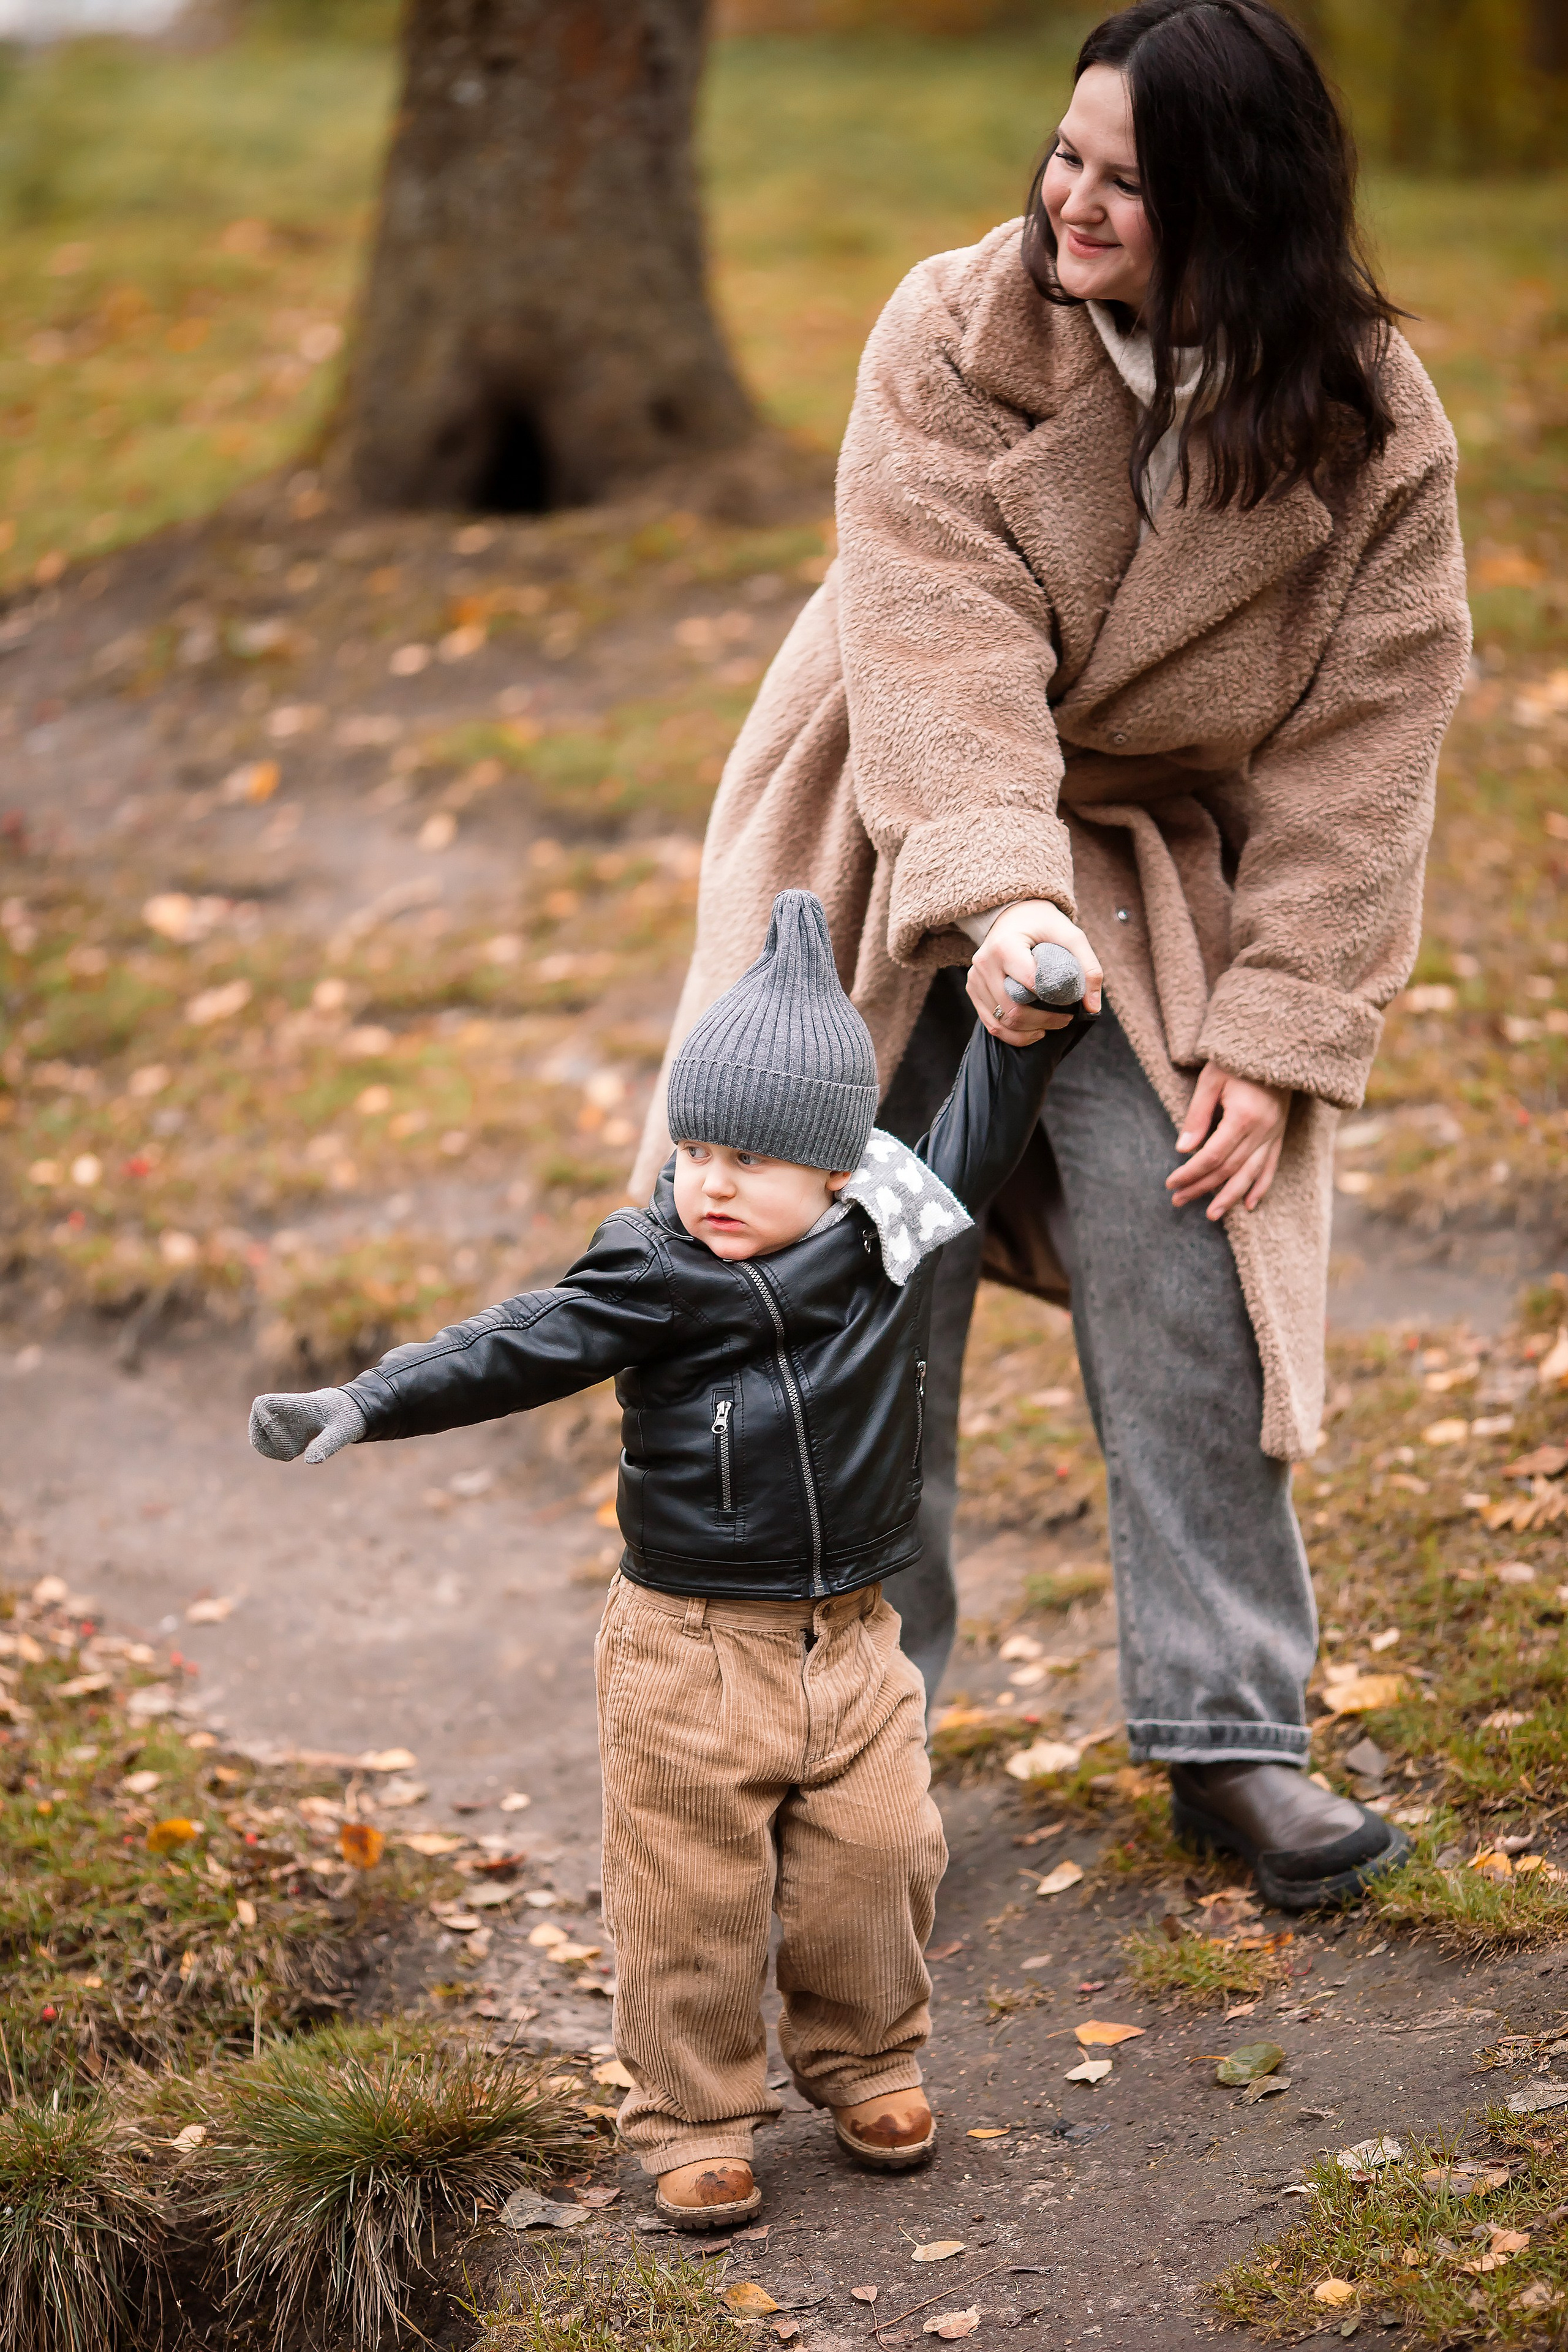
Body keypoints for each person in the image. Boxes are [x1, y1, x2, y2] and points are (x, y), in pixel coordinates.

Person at [630, 0, 1472, 1913]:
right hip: (907, 831)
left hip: (1157, 866)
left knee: (1196, 1241)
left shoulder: (1367, 418)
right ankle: (853, 1742)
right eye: (1064, 156)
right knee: (858, 1271)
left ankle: (1231, 1732)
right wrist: (1002, 896)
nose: (1068, 203)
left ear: (1239, 210)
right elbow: (934, 641)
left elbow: (1372, 735)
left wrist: (1278, 1030)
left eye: (1127, 182)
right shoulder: (952, 327)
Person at [249, 891, 1087, 2228]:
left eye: (746, 1159)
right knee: (690, 1898)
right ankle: (694, 2117)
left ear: (833, 1167)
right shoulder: (651, 1271)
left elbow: (980, 1121)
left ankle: (866, 2058)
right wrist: (366, 1398)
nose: (707, 1182)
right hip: (689, 1651)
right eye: (693, 1148)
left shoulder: (889, 1233)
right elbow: (509, 1341)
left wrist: (1032, 1015)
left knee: (878, 1859)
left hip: (855, 1641)